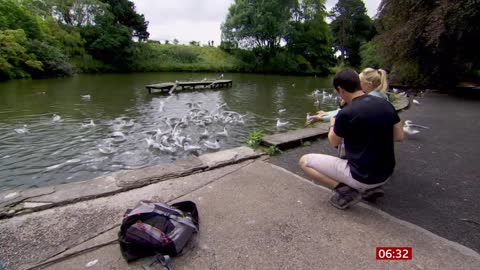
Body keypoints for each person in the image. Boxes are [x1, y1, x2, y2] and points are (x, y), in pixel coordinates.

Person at [299, 68, 404, 209]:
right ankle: (369, 189)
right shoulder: (386, 104)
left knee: (304, 161)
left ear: (340, 90)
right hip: (385, 174)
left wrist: (332, 123)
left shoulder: (346, 113)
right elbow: (399, 136)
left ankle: (347, 192)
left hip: (362, 177)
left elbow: (333, 142)